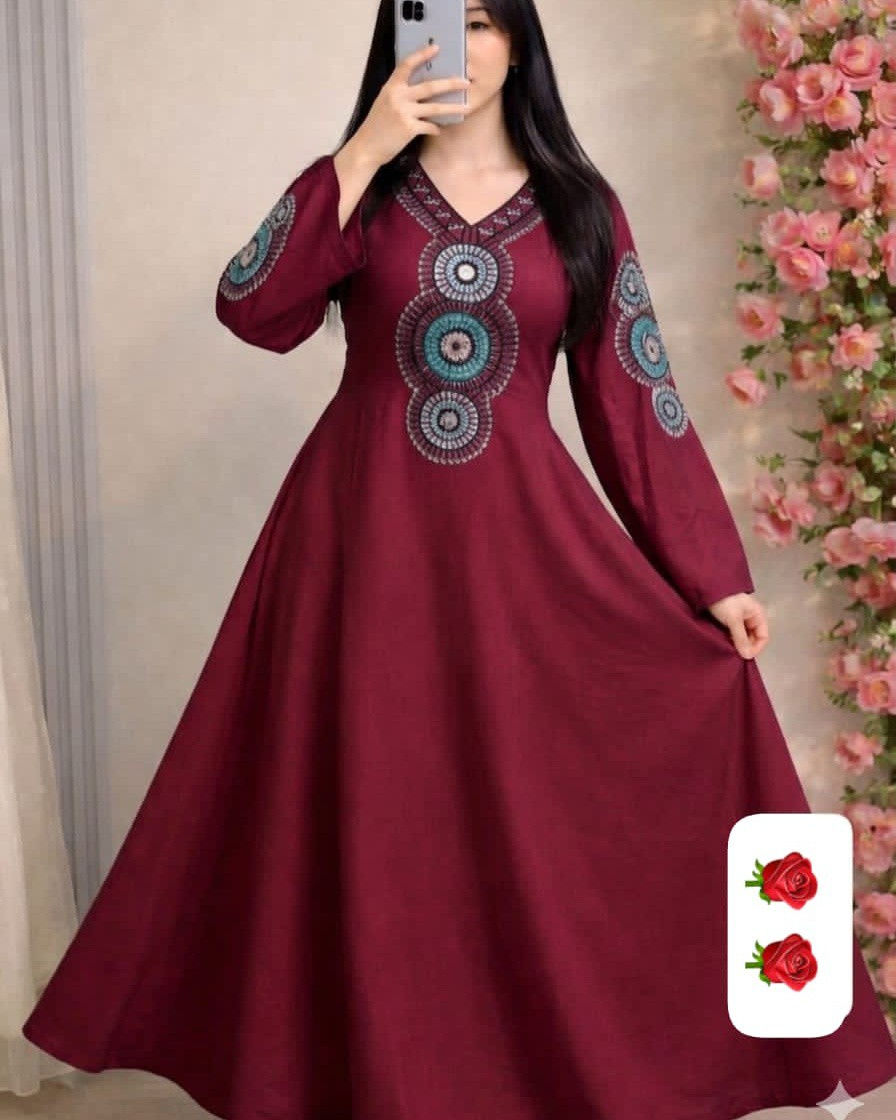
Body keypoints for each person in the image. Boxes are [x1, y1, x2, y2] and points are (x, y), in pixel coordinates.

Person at [21, 2, 896, 1118]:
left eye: (479, 20)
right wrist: (364, 148)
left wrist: (711, 575)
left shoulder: (580, 208)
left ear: (519, 43)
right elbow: (251, 308)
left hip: (521, 562)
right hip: (354, 554)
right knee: (374, 812)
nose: (453, 44)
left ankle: (755, 1043)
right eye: (427, 17)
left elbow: (637, 397)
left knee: (542, 804)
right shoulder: (363, 190)